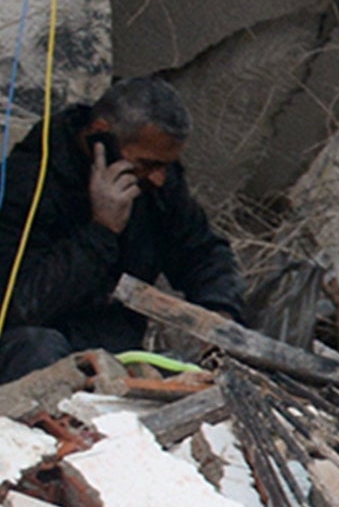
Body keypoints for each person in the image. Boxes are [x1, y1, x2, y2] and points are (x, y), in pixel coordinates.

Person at [0, 76, 244, 382]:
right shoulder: (28, 183)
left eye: (164, 166)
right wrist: (100, 231)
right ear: (100, 136)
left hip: (117, 352)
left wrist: (219, 314)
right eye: (147, 164)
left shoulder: (155, 184)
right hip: (33, 354)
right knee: (37, 348)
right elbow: (20, 304)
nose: (157, 178)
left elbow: (201, 251)